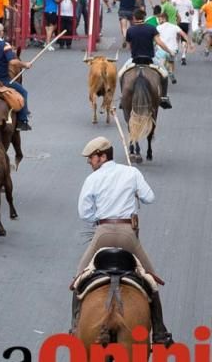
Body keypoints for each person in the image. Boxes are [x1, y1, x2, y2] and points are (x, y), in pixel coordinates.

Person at [73, 136, 173, 346]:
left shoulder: (92, 179)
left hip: (102, 234)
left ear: (101, 156)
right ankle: (160, 332)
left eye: (91, 158)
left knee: (78, 279)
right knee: (152, 281)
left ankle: (75, 327)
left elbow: (84, 213)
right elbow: (150, 198)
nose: (89, 163)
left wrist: (100, 219)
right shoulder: (132, 173)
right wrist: (136, 191)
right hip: (129, 235)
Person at [123, 9, 173, 109]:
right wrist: (169, 50)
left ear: (134, 18)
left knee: (121, 74)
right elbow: (159, 42)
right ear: (144, 17)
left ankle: (124, 97)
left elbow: (129, 46)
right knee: (165, 74)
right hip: (150, 59)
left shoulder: (130, 30)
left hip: (135, 59)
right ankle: (163, 97)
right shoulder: (151, 28)